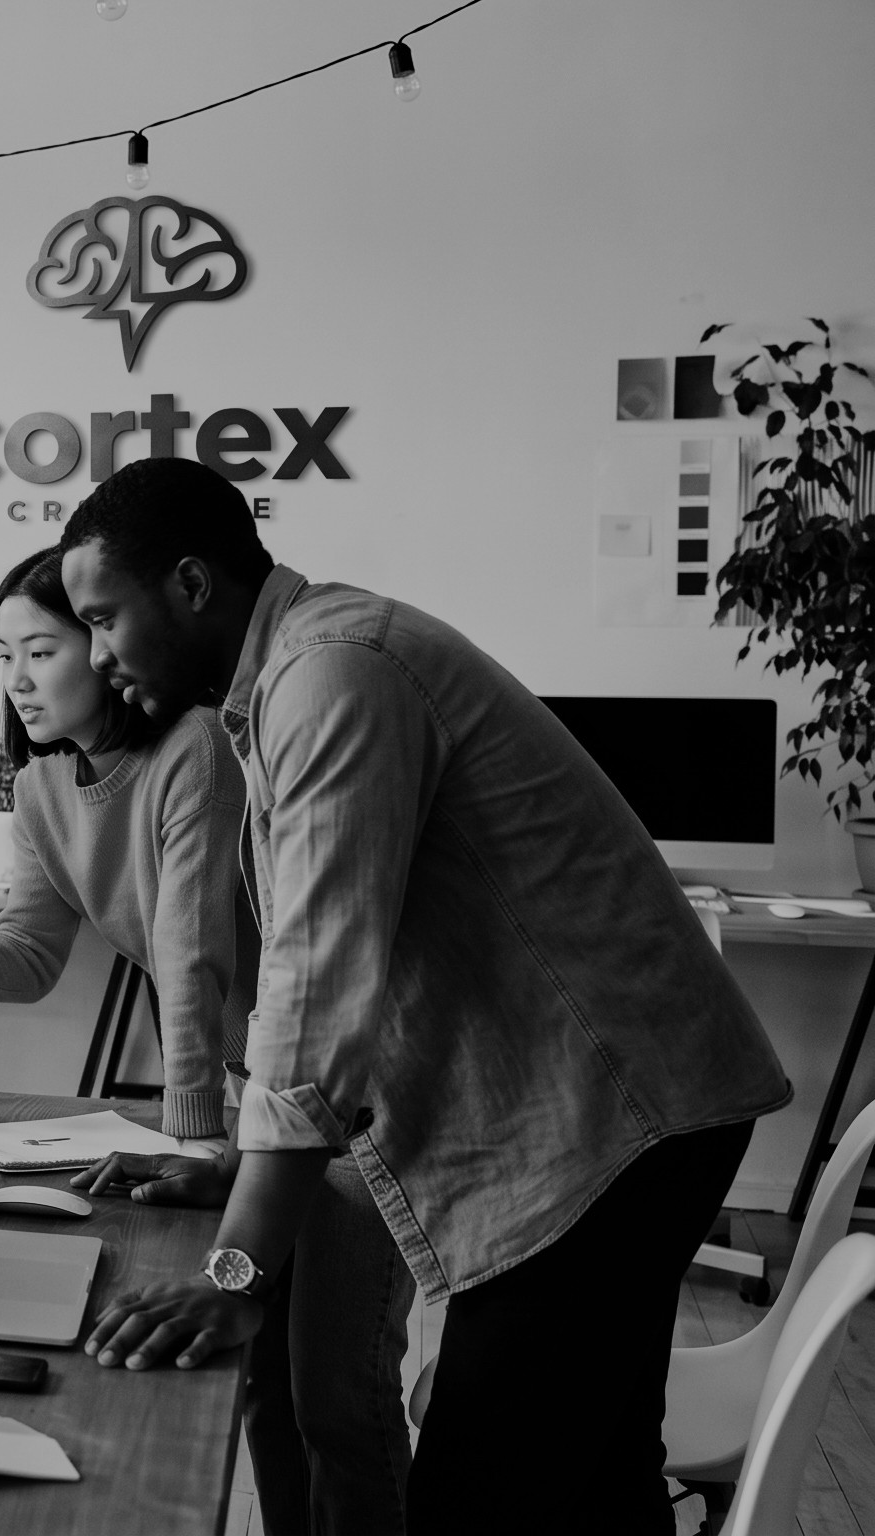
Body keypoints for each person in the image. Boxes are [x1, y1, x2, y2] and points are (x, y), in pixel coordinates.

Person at [59, 457, 788, 1534]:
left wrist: (235, 1269)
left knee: (474, 1502)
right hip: (640, 1121)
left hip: (609, 1135)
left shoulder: (331, 675)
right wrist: (232, 1167)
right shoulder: (301, 672)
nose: (93, 655)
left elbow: (315, 987)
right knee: (589, 1491)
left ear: (190, 585)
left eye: (101, 616)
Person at [0, 545, 413, 1536]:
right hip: (249, 1099)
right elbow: (28, 956)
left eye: (43, 648)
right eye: (4, 652)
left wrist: (186, 1138)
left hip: (345, 1089)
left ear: (103, 649)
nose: (17, 677)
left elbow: (193, 958)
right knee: (265, 1386)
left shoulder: (196, 747)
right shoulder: (45, 790)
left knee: (337, 1397)